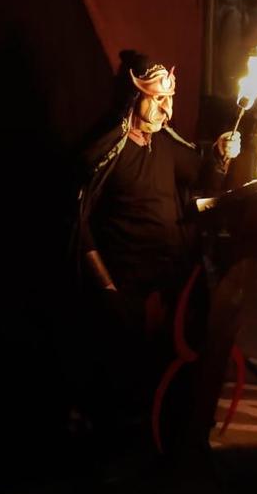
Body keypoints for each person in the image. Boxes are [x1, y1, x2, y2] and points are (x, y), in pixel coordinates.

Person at [73, 53, 242, 467]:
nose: (167, 109)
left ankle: (167, 445)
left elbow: (204, 180)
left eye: (170, 98)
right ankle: (115, 453)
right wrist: (106, 286)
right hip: (125, 284)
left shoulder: (166, 143)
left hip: (173, 280)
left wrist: (221, 154)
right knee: (123, 374)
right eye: (157, 99)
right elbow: (77, 222)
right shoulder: (106, 150)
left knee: (174, 367)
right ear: (133, 98)